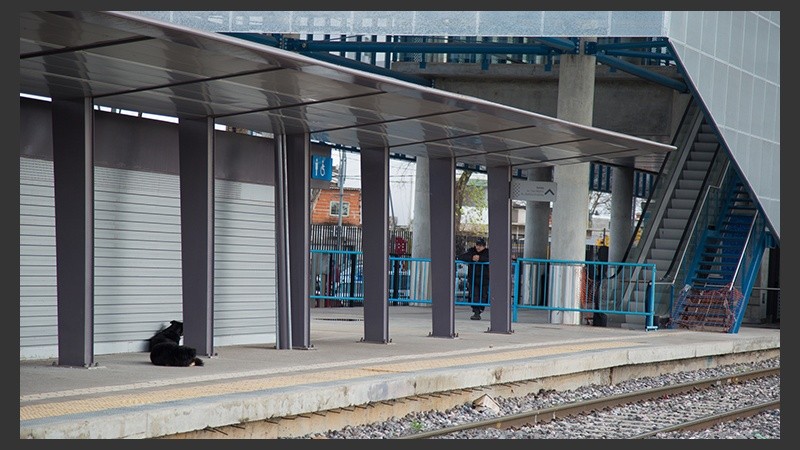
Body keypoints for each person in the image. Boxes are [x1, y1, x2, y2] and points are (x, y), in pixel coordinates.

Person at [457, 237, 489, 320]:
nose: (478, 247)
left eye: (481, 245)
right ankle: (476, 312)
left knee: (483, 295)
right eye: (477, 245)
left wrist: (480, 259)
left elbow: (491, 259)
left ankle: (480, 309)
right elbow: (462, 257)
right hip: (473, 277)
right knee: (474, 295)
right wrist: (471, 258)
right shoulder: (471, 251)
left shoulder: (487, 252)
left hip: (484, 278)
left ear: (484, 246)